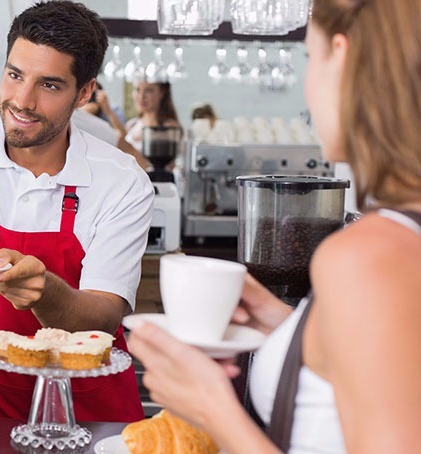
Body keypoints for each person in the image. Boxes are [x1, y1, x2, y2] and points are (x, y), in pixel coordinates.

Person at [127, 0, 421, 452]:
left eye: (309, 57)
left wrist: (212, 409)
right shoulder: (399, 241)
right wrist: (289, 329)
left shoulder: (370, 258)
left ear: (342, 58)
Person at [0, 1, 154, 422]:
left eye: (49, 85)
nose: (22, 100)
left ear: (84, 93)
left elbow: (105, 316)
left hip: (91, 415)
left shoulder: (122, 181)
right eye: (15, 75)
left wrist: (46, 293)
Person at [80, 84, 152, 169]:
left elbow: (123, 138)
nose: (90, 98)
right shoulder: (77, 116)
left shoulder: (113, 110)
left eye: (93, 93)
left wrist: (108, 111)